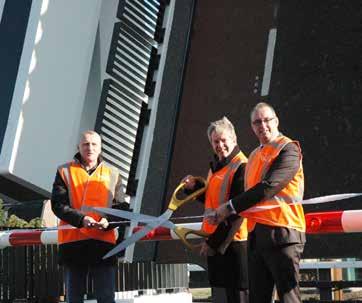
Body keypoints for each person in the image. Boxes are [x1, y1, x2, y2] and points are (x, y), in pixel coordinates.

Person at [212, 103, 306, 303]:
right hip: (256, 237)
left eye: (267, 120)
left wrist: (227, 208)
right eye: (257, 122)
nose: (262, 125)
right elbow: (248, 198)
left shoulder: (289, 149)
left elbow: (268, 186)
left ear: (276, 121)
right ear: (252, 127)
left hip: (284, 234)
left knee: (289, 299)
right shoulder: (253, 156)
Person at [51, 130, 128, 303]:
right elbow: (58, 205)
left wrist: (108, 222)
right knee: (74, 298)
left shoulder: (113, 173)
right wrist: (82, 220)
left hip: (103, 242)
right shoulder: (65, 171)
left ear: (100, 148)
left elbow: (122, 208)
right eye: (86, 144)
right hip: (73, 242)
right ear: (78, 146)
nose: (90, 148)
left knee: (106, 297)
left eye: (94, 144)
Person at [183, 117, 249, 303]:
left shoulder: (241, 166)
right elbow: (212, 201)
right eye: (215, 141)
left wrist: (213, 244)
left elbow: (237, 213)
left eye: (223, 140)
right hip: (218, 243)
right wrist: (194, 187)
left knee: (238, 297)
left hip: (234, 243)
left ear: (234, 139)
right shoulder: (216, 167)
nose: (220, 145)